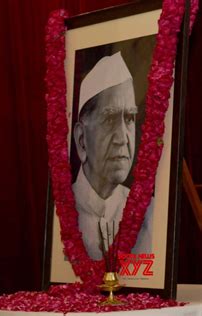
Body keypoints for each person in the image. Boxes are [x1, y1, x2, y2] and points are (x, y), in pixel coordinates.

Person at [72, 52, 152, 260]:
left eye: (129, 118)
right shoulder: (62, 213)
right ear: (81, 140)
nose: (123, 139)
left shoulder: (151, 214)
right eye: (109, 120)